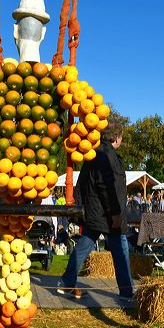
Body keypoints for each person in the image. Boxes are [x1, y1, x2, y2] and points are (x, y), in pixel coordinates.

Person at [58, 119, 133, 301]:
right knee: (121, 251)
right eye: (121, 137)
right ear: (116, 137)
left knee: (84, 245)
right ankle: (126, 292)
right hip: (107, 214)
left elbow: (81, 184)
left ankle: (66, 282)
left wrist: (82, 208)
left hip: (94, 212)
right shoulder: (109, 156)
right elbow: (109, 187)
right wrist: (115, 213)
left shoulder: (93, 154)